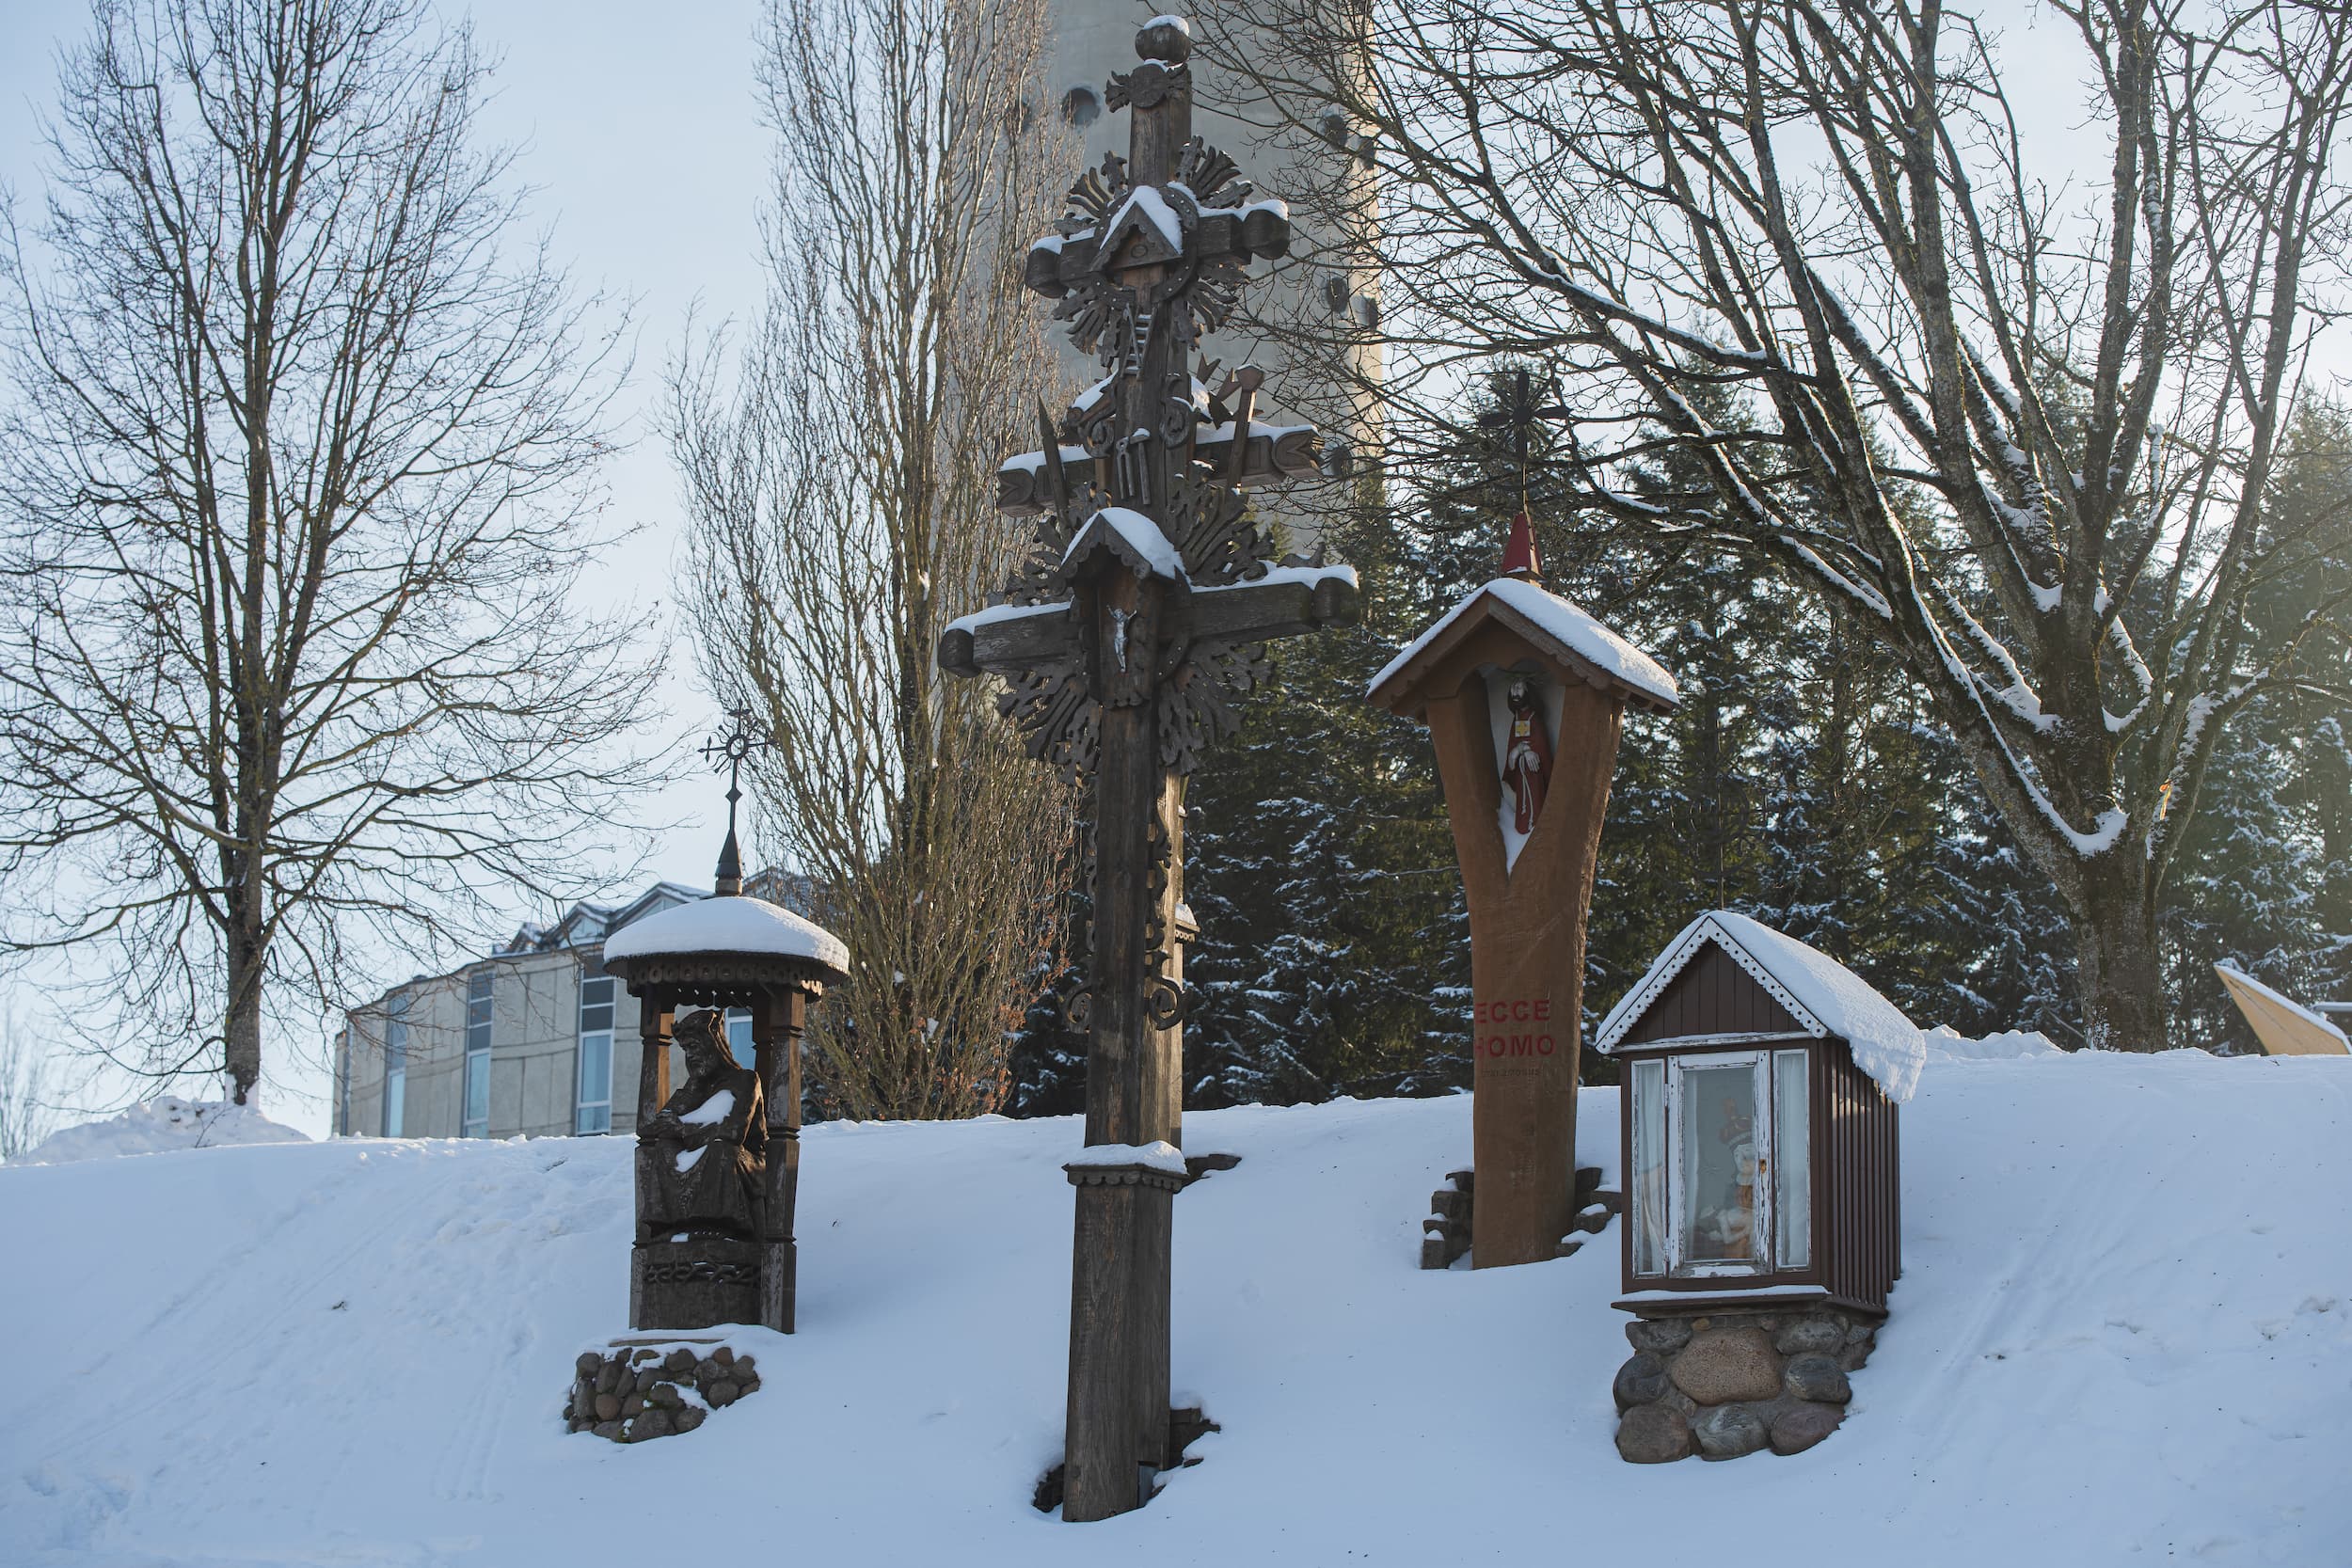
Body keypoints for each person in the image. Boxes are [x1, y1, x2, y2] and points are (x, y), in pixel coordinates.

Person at [635, 1008, 766, 1243]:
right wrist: (692, 1090)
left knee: (721, 1148)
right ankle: (671, 1227)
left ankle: (721, 1225)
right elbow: (656, 1128)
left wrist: (682, 1128)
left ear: (714, 1046)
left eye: (694, 1047)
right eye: (686, 1050)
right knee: (664, 1148)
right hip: (702, 1155)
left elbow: (733, 1132)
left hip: (744, 1164)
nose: (690, 1056)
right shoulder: (696, 1087)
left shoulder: (745, 1080)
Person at [1502, 676, 1553, 834]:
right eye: (1513, 688)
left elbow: (1540, 745)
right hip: (1521, 772)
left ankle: (1534, 825)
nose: (1514, 693)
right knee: (1523, 802)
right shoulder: (1517, 718)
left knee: (1535, 801)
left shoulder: (1534, 718)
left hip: (1534, 773)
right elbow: (1514, 745)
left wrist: (1525, 750)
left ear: (1527, 691)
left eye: (1518, 688)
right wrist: (1519, 750)